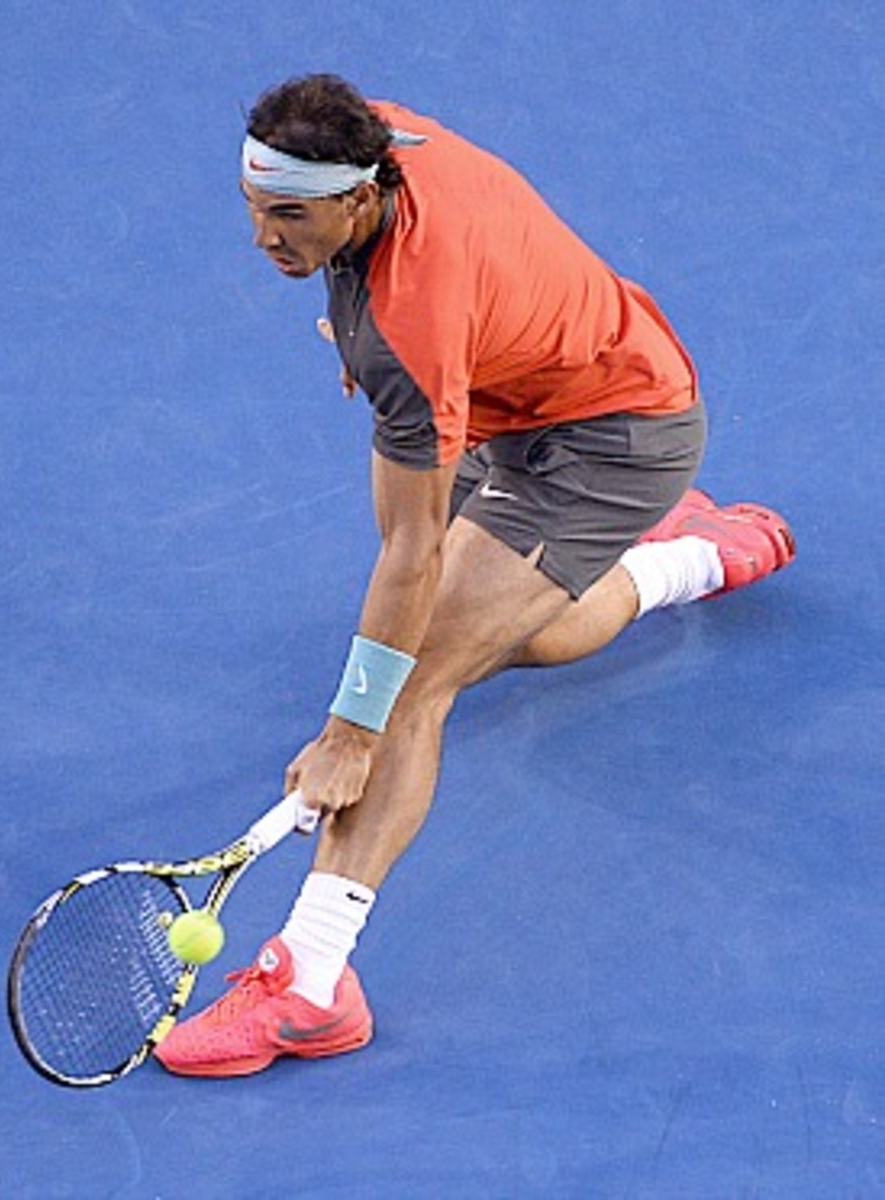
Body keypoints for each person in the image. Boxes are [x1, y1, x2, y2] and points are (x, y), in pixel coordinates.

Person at [155, 74, 794, 1078]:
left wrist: (348, 733)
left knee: (412, 679)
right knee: (519, 636)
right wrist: (385, 340)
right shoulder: (371, 134)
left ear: (359, 198)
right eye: (252, 208)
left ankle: (313, 986)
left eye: (288, 216)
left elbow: (408, 554)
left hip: (609, 438)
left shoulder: (410, 329)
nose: (262, 238)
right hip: (515, 382)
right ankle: (690, 557)